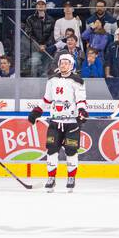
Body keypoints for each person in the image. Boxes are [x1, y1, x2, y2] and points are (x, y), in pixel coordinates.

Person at [28, 52, 88, 192]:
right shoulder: (52, 80)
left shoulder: (77, 81)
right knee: (51, 150)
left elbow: (81, 100)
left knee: (71, 151)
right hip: (55, 122)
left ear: (71, 65)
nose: (63, 65)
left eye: (66, 63)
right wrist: (37, 111)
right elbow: (47, 99)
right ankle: (51, 178)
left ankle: (71, 177)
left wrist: (82, 111)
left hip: (71, 124)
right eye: (61, 63)